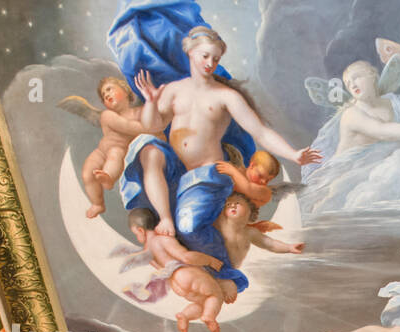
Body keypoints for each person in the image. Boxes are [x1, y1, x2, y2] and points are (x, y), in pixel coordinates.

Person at [119, 24, 319, 283]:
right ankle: (165, 218)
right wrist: (150, 102)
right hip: (177, 171)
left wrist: (294, 155)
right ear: (190, 54)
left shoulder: (226, 96)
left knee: (189, 228)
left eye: (215, 58)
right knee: (148, 149)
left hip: (208, 173)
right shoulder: (174, 90)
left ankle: (223, 271)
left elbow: (260, 131)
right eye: (205, 56)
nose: (210, 63)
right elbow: (153, 126)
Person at [122, 208, 228, 332]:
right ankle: (209, 317)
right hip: (187, 274)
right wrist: (210, 261)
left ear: (140, 230)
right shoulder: (163, 240)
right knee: (215, 295)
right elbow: (186, 257)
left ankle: (185, 316)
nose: (137, 236)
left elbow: (162, 270)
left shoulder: (147, 253)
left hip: (176, 284)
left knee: (202, 302)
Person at [64, 76, 145, 219]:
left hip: (121, 149)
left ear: (126, 90)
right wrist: (147, 128)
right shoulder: (107, 115)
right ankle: (97, 203)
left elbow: (138, 126)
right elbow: (128, 127)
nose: (106, 95)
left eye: (109, 89)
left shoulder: (139, 112)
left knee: (115, 155)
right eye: (103, 96)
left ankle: (108, 177)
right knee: (87, 172)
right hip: (101, 151)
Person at [337, 61, 400, 154]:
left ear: (372, 76)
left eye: (356, 77)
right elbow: (381, 130)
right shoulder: (350, 114)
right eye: (348, 83)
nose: (353, 85)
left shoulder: (395, 102)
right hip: (346, 169)